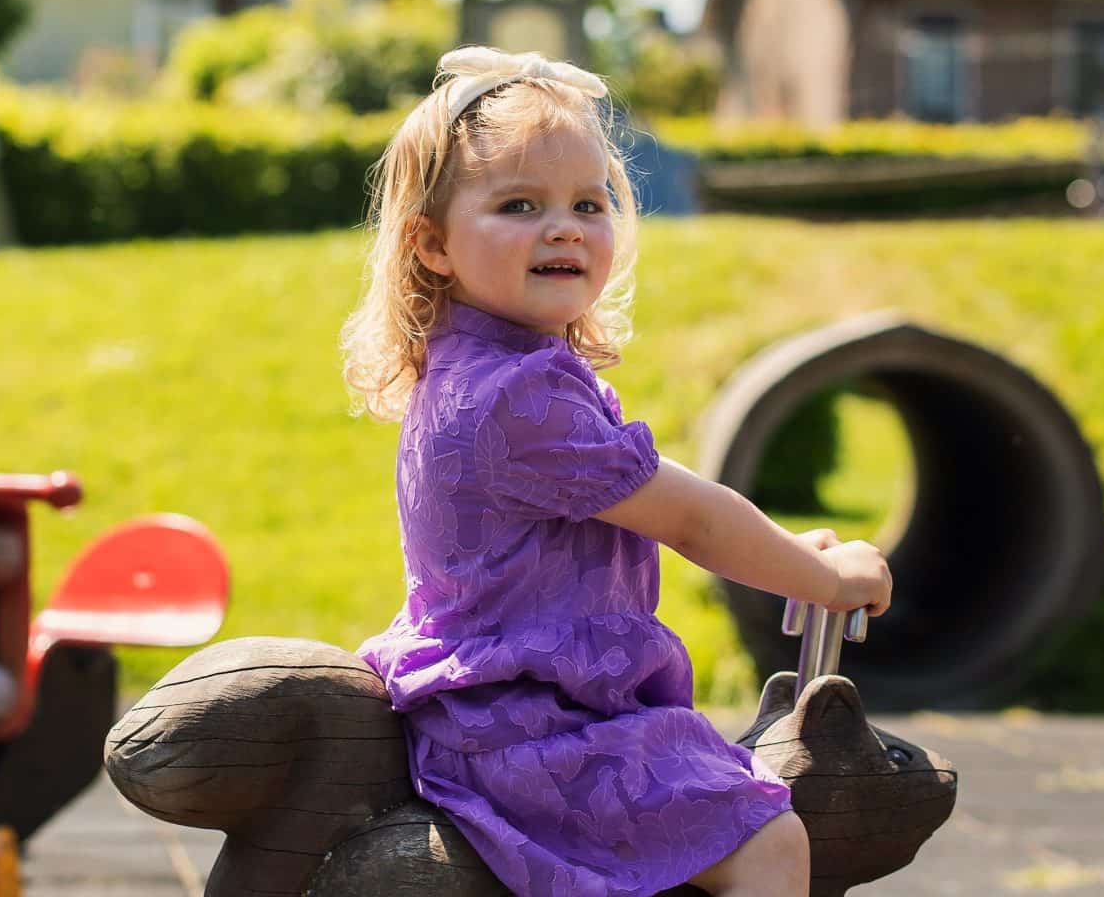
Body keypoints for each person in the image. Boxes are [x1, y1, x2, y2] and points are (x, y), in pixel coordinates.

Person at [343, 47, 894, 897]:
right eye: (519, 204)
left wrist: (787, 545)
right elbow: (689, 519)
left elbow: (660, 490)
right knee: (771, 843)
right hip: (534, 729)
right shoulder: (518, 396)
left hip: (511, 711)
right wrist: (822, 577)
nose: (564, 227)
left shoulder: (478, 369)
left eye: (588, 203)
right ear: (432, 244)